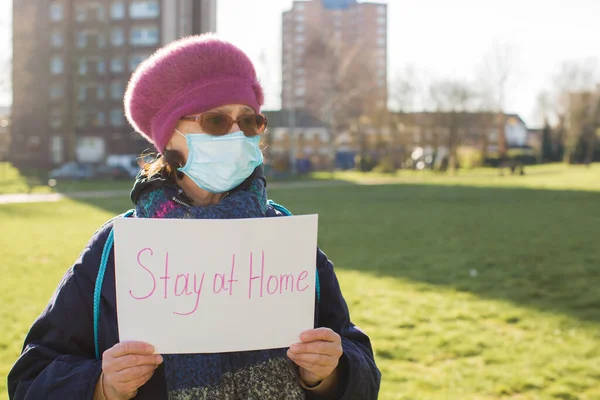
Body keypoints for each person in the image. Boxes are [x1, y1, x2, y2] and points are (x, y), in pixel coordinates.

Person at [8, 34, 380, 400]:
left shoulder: (286, 239)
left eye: (249, 122)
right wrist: (102, 386)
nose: (237, 134)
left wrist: (330, 373)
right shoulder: (115, 249)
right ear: (169, 136)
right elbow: (31, 377)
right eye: (216, 121)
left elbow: (360, 366)